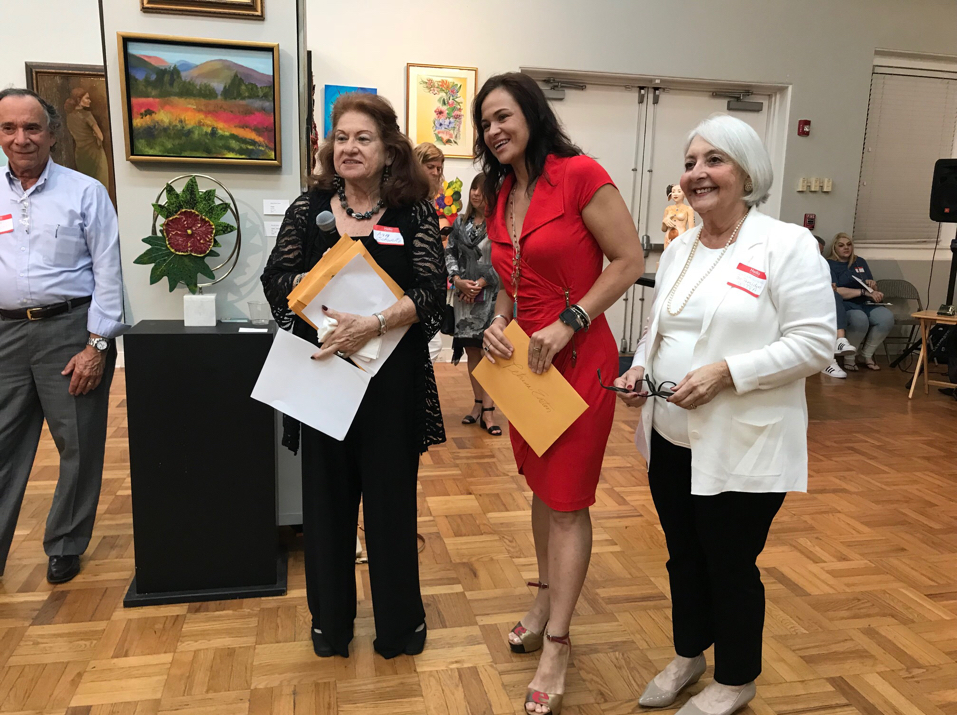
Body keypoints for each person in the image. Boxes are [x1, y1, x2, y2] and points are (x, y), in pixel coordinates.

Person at [614, 114, 834, 715]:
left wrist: (726, 372)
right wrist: (639, 367)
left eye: (714, 160)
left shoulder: (787, 245)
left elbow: (816, 343)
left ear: (747, 171)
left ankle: (736, 678)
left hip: (743, 441)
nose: (697, 173)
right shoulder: (680, 248)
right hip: (669, 435)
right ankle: (689, 655)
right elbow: (658, 329)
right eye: (690, 162)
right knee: (682, 554)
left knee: (730, 563)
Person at [476, 72, 645, 715]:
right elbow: (510, 280)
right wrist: (498, 321)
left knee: (569, 502)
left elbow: (629, 260)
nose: (494, 130)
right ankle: (546, 596)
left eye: (503, 116)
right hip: (527, 364)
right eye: (485, 123)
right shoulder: (500, 192)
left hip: (579, 358)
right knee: (542, 490)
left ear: (532, 114)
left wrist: (570, 320)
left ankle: (558, 642)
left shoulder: (580, 175)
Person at [261, 93, 446, 659]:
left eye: (363, 138)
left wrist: (373, 323)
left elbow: (432, 292)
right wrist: (319, 307)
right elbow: (276, 279)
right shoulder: (309, 208)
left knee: (391, 506)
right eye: (341, 138)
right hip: (323, 374)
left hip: (390, 382)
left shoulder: (414, 212)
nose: (349, 148)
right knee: (325, 506)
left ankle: (400, 626)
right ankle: (331, 624)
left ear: (389, 149)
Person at [0, 88, 126, 584]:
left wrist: (97, 345)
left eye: (32, 127)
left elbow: (109, 272)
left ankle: (66, 542)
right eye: (9, 128)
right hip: (6, 335)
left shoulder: (85, 192)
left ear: (52, 134)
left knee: (78, 444)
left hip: (69, 332)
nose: (21, 138)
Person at [445, 173, 502, 435]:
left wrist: (480, 282)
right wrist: (457, 280)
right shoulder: (460, 222)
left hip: (491, 297)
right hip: (463, 298)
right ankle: (478, 404)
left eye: (482, 189)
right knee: (472, 352)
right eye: (473, 188)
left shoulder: (500, 223)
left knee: (490, 353)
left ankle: (489, 411)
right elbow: (450, 252)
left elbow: (506, 259)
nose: (475, 193)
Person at [827, 232, 894, 371]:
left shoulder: (860, 261)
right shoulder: (830, 264)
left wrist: (874, 288)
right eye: (841, 245)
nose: (846, 248)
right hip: (845, 304)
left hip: (865, 302)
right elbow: (835, 290)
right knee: (860, 319)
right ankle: (850, 358)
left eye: (849, 244)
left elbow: (870, 287)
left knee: (886, 318)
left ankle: (866, 355)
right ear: (835, 248)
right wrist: (862, 292)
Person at [413, 141, 451, 361]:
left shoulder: (428, 201)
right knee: (433, 344)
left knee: (432, 344)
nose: (436, 173)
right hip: (413, 284)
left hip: (427, 286)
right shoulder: (409, 200)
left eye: (439, 168)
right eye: (431, 167)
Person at [814, 235, 856, 378]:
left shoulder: (822, 264)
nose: (818, 255)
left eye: (820, 252)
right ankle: (828, 360)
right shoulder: (791, 262)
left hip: (818, 301)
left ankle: (840, 342)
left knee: (834, 298)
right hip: (797, 302)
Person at [63, 88, 110, 191]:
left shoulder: (69, 117)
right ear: (79, 100)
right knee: (101, 182)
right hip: (94, 152)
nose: (90, 101)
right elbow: (101, 136)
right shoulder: (87, 115)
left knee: (86, 184)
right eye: (87, 98)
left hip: (80, 154)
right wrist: (95, 136)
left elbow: (73, 133)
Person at [662, 183, 695, 249]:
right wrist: (664, 222)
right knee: (667, 254)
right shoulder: (668, 209)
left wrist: (687, 241)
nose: (675, 194)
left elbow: (691, 229)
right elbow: (663, 229)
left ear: (684, 194)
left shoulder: (688, 209)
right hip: (668, 238)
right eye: (673, 192)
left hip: (681, 237)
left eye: (679, 191)